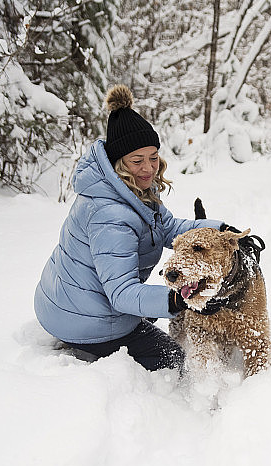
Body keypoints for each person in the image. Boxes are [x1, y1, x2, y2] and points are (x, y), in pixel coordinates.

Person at [34, 84, 227, 372]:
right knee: (175, 360)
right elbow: (122, 294)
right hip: (83, 318)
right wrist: (177, 299)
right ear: (117, 163)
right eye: (137, 160)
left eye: (153, 157)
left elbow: (170, 227)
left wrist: (220, 230)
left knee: (154, 311)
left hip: (67, 300)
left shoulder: (132, 191)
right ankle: (91, 343)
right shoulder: (111, 215)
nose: (149, 168)